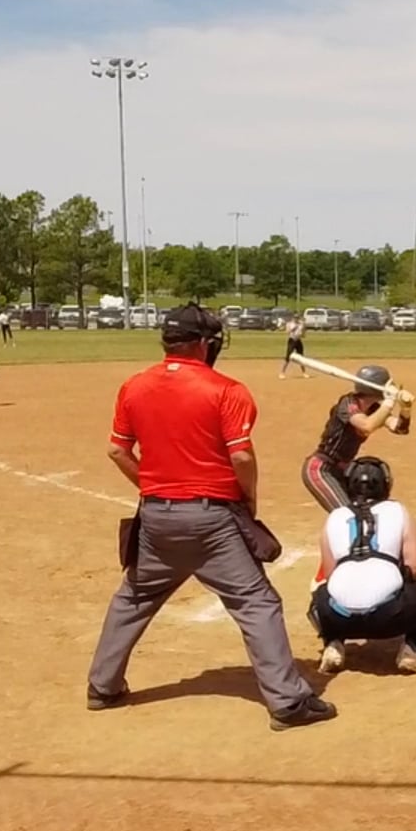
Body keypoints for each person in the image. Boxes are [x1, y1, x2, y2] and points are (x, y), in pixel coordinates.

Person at [85, 302, 335, 732]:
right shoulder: (226, 390)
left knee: (134, 598)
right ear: (203, 344)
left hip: (156, 518)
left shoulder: (134, 386)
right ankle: (288, 702)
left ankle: (102, 687)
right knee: (257, 603)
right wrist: (247, 498)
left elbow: (117, 450)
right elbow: (241, 456)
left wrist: (154, 486)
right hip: (211, 521)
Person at [308, 457, 416, 675]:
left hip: (338, 618)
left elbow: (330, 575)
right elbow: (415, 567)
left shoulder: (334, 516)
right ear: (386, 485)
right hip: (390, 618)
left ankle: (333, 644)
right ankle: (414, 648)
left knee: (318, 597)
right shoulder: (398, 510)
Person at [301, 365, 404, 511]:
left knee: (364, 511)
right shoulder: (348, 403)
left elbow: (399, 428)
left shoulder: (374, 409)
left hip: (344, 471)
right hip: (321, 469)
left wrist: (406, 409)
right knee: (348, 514)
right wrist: (389, 402)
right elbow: (366, 426)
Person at [278, 315, 310, 379]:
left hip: (298, 341)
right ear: (293, 318)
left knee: (301, 357)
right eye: (295, 318)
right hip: (292, 340)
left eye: (297, 318)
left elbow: (303, 335)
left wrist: (304, 329)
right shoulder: (290, 324)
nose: (296, 319)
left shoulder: (301, 324)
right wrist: (294, 328)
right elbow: (288, 332)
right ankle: (282, 373)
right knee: (288, 357)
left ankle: (304, 373)